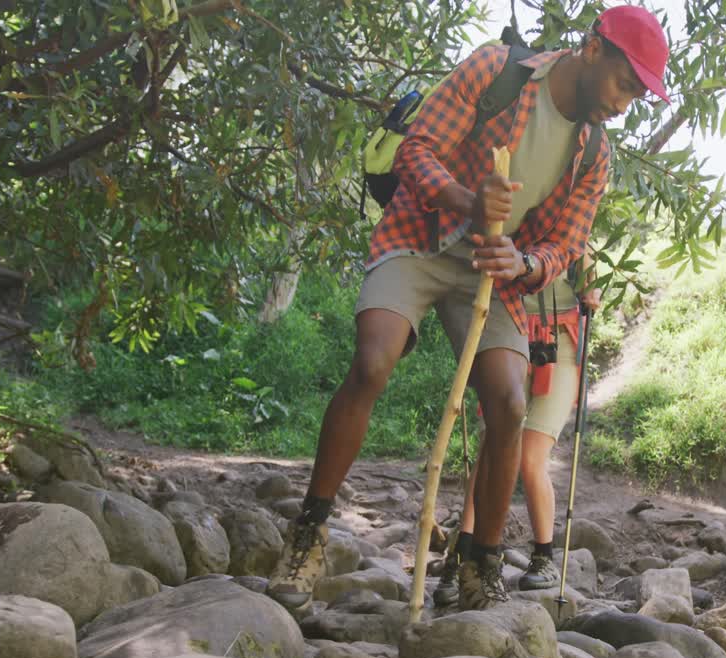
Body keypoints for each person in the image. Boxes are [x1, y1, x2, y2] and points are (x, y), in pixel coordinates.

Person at [265, 5, 670, 612]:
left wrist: (525, 264)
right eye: (624, 83)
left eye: (638, 95)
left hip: (493, 269)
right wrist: (466, 199)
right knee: (374, 361)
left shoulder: (595, 153)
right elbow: (417, 149)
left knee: (509, 404)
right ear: (592, 50)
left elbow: (565, 242)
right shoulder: (497, 70)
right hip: (421, 233)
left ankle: (480, 561)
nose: (624, 102)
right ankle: (309, 533)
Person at [433, 252, 600, 606]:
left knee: (531, 455)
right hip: (509, 339)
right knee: (492, 445)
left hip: (561, 347)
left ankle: (544, 556)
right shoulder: (506, 230)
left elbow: (591, 293)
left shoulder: (574, 236)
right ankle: (462, 553)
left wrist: (590, 283)